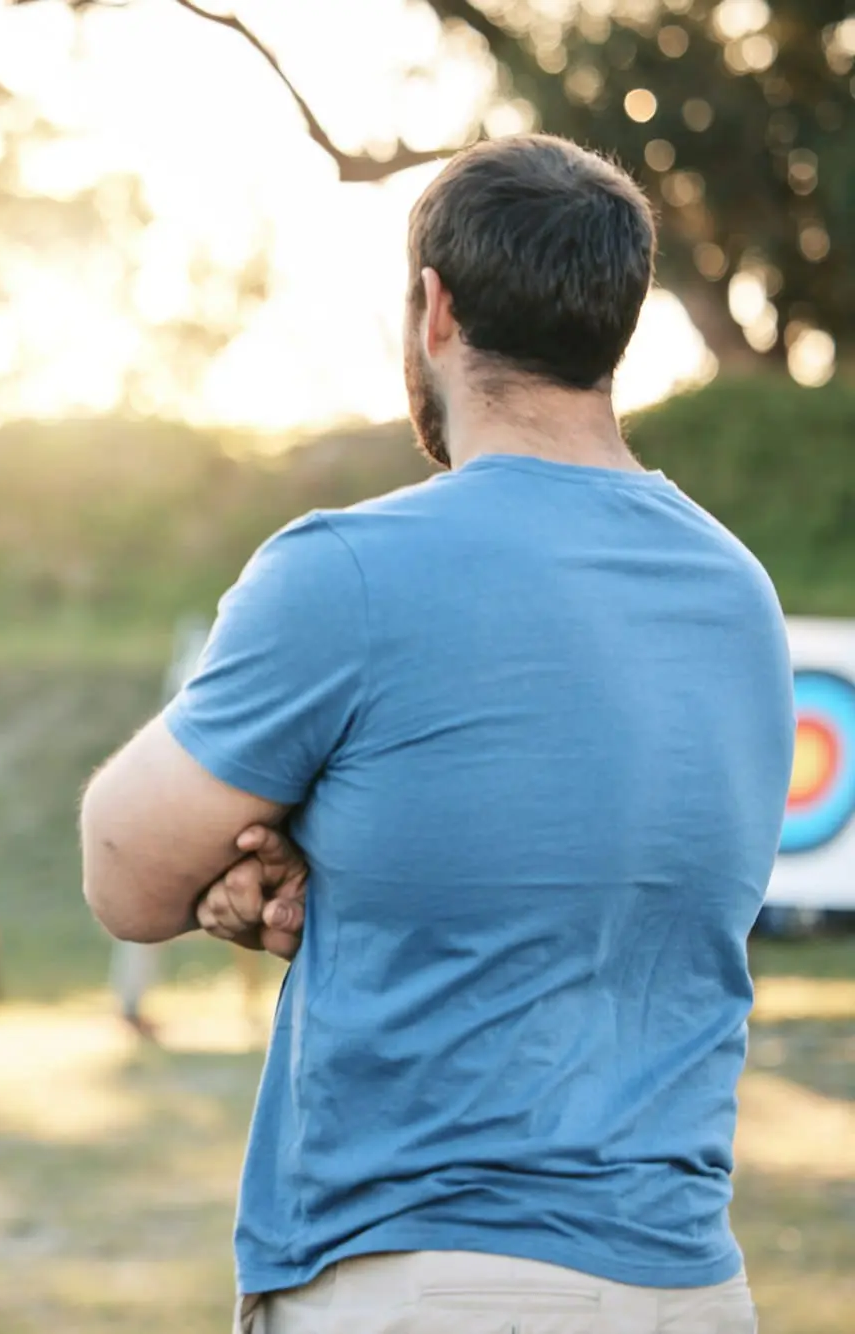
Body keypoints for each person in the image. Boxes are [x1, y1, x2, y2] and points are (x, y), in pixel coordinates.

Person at [79, 134, 789, 1333]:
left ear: (432, 309)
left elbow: (122, 870)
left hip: (425, 1276)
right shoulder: (737, 593)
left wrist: (261, 855)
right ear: (615, 323)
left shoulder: (345, 571)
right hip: (688, 1288)